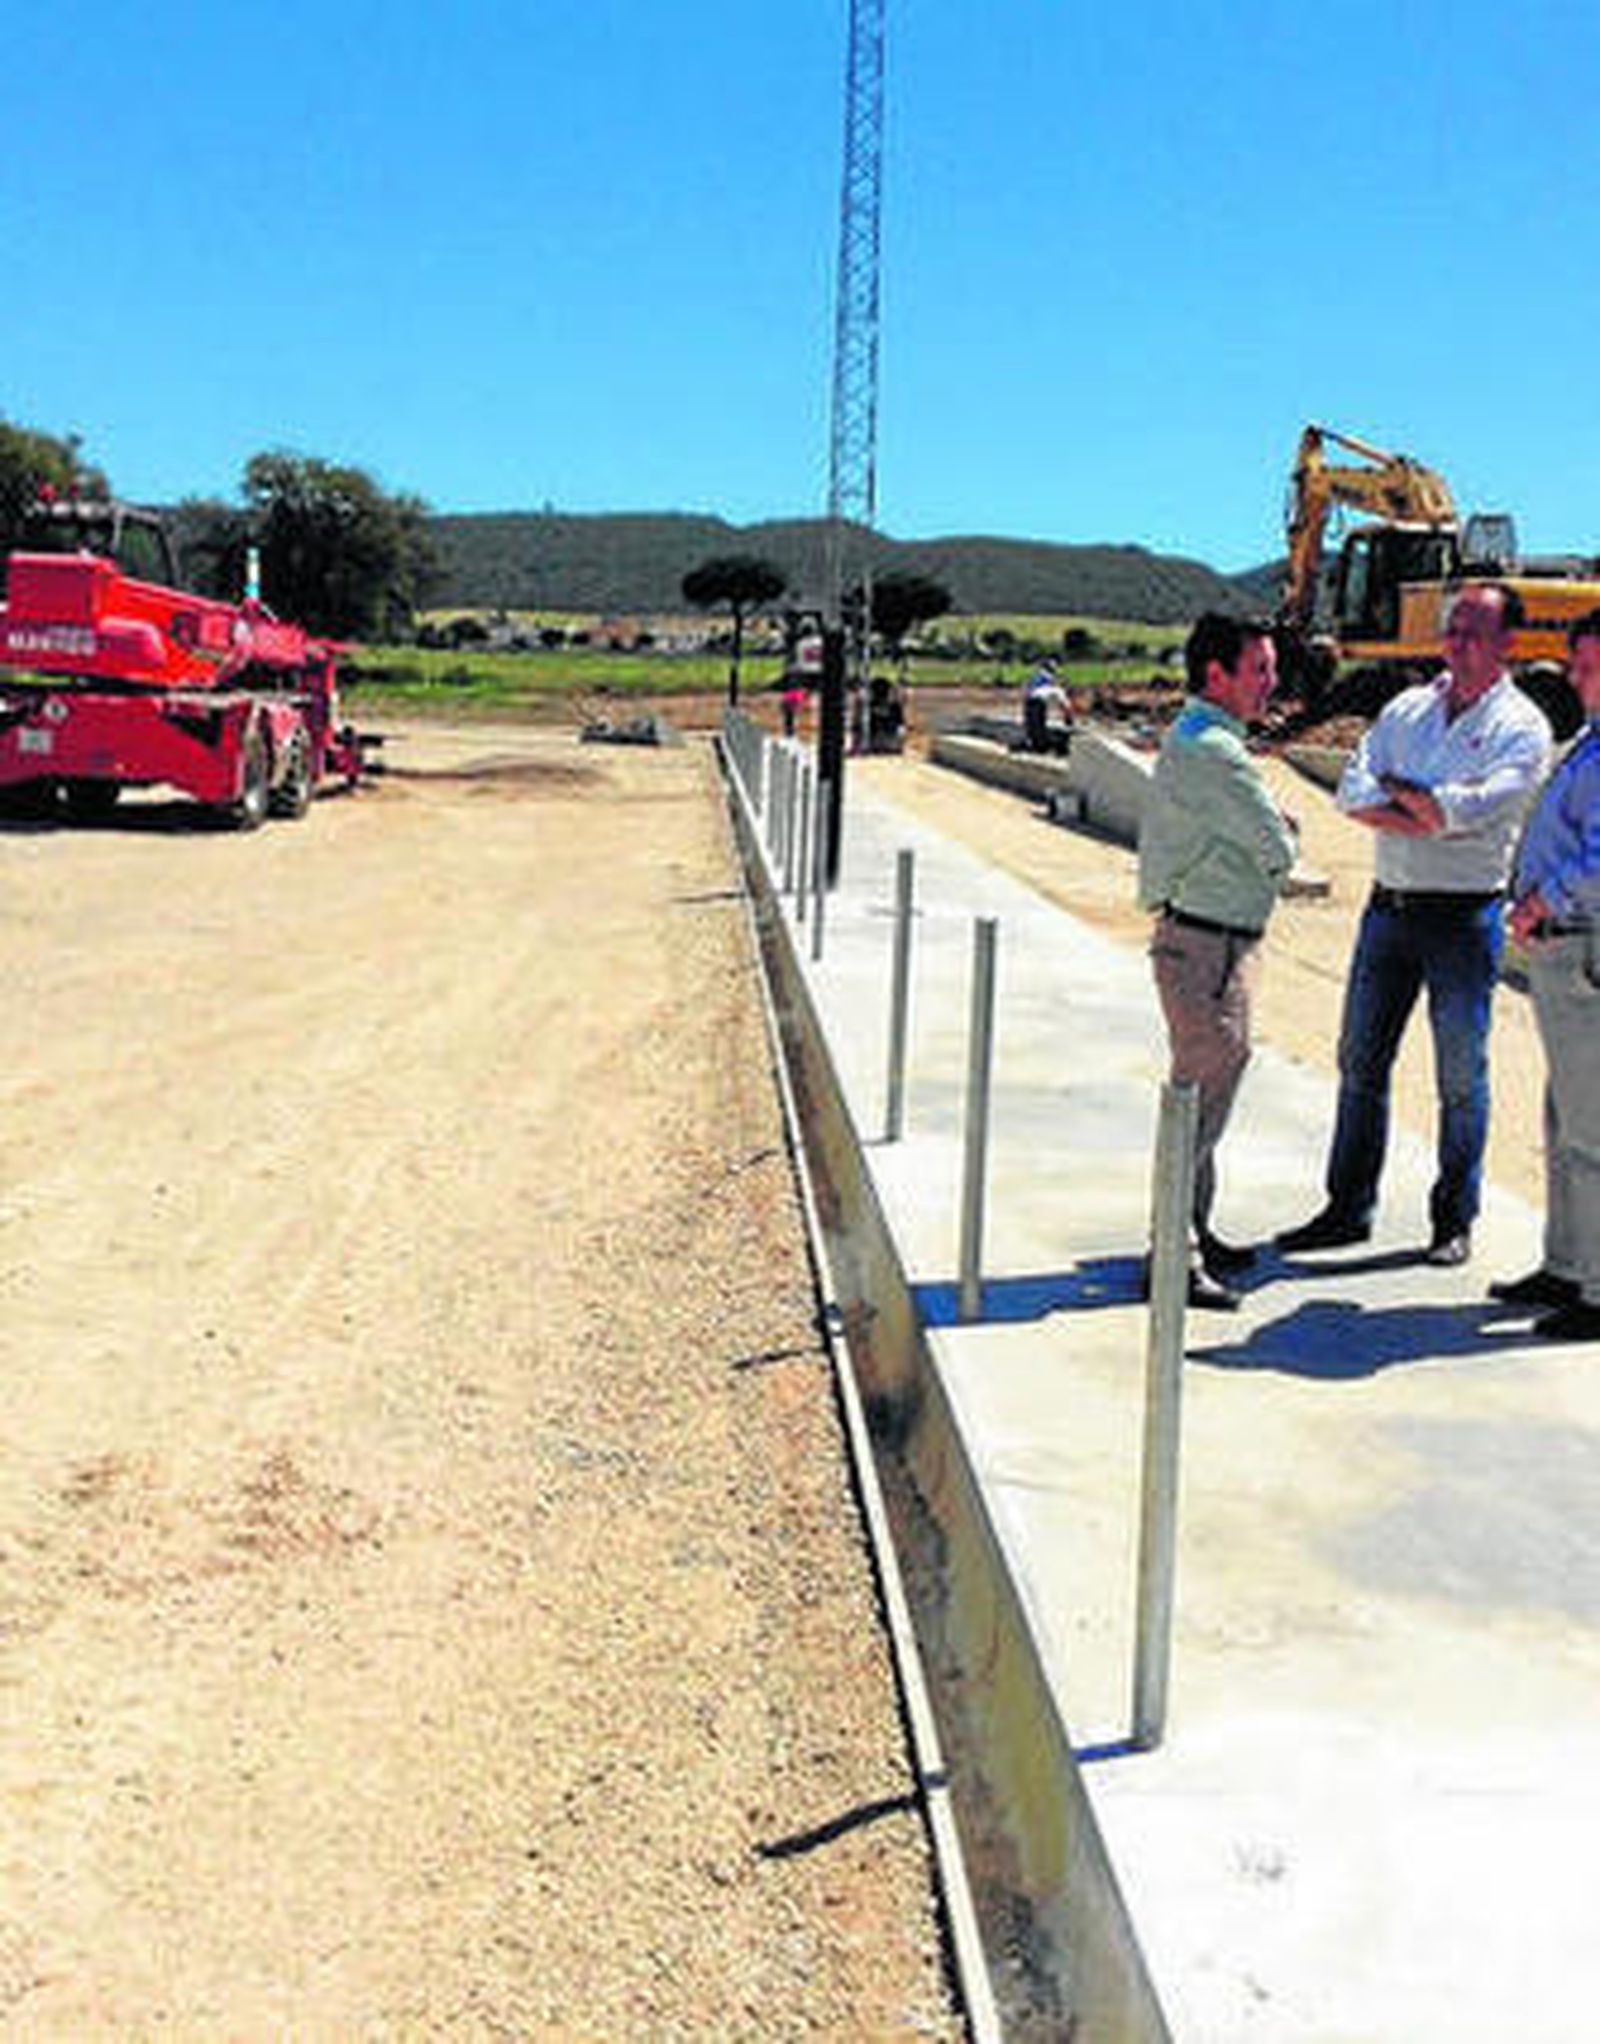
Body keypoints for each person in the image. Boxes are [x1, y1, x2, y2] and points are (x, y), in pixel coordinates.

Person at [1278, 583, 1552, 1266]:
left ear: (1508, 644)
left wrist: (1408, 800)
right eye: (1452, 628)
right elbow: (1354, 791)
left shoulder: (1523, 728)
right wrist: (1420, 808)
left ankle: (1453, 1220)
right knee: (1360, 1061)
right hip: (1389, 910)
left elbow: (1463, 810)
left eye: (1473, 632)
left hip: (1464, 919)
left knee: (1460, 1078)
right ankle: (1347, 1209)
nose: (1456, 643)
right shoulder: (1406, 709)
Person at [1138, 612, 1298, 1308]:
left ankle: (1190, 1230)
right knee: (1195, 1107)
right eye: (1259, 669)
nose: (1271, 682)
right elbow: (1279, 849)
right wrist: (1281, 835)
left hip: (1215, 941)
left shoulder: (1207, 740)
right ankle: (1173, 1255)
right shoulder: (1215, 753)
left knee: (1206, 1100)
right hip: (1206, 947)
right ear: (1216, 674)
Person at [1491, 608, 1600, 1338]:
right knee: (1565, 1116)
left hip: (1582, 946)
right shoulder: (1590, 741)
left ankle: (1597, 1287)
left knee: (1591, 1125)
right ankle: (1566, 1264)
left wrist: (1540, 900)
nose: (1575, 677)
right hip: (1564, 948)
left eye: (1588, 666)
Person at [1023, 659, 1072, 754]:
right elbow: (1066, 705)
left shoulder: (1042, 677)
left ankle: (1036, 743)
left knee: (1035, 724)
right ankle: (1039, 744)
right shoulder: (1056, 688)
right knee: (1036, 724)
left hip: (1033, 701)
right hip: (1036, 702)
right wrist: (1068, 718)